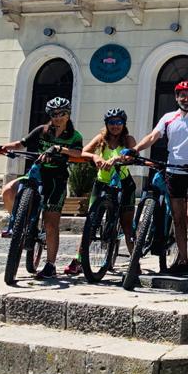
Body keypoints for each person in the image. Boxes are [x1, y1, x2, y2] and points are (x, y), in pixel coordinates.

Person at [130, 80, 188, 277]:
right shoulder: (169, 118)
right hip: (172, 173)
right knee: (177, 219)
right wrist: (135, 150)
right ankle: (183, 261)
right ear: (176, 97)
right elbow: (153, 137)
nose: (186, 99)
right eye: (182, 95)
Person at [0, 97, 83, 279]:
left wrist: (59, 149)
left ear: (68, 115)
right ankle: (18, 223)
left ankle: (50, 264)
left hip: (56, 179)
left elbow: (78, 153)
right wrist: (4, 147)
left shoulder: (74, 136)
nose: (57, 118)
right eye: (54, 114)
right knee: (8, 190)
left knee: (51, 223)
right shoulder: (42, 131)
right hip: (37, 172)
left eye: (61, 114)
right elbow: (21, 144)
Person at [71, 108, 139, 274]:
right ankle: (79, 260)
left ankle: (135, 262)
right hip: (103, 183)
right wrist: (96, 157)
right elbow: (84, 152)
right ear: (106, 124)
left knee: (126, 224)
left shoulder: (128, 139)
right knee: (91, 221)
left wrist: (118, 158)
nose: (115, 126)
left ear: (124, 124)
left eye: (118, 123)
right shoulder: (101, 138)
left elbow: (133, 154)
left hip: (124, 183)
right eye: (111, 123)